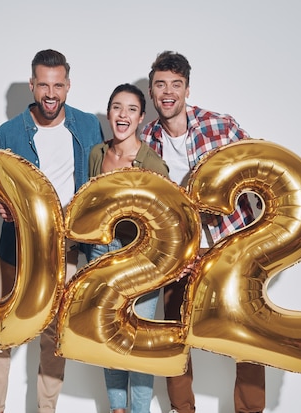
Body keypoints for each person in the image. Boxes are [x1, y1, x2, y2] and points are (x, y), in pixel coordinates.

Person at [140, 50, 264, 413]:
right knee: (175, 338)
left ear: (187, 90)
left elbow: (259, 170)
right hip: (178, 256)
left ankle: (250, 410)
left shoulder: (220, 126)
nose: (168, 92)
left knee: (247, 334)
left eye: (175, 85)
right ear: (151, 91)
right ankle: (183, 409)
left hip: (229, 249)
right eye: (160, 84)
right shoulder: (144, 139)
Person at [0, 49, 103, 413]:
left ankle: (45, 410)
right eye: (43, 85)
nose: (50, 94)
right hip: (15, 251)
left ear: (68, 85)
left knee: (54, 337)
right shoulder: (8, 132)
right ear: (33, 85)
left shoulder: (87, 126)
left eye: (58, 85)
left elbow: (100, 178)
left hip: (64, 251)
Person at [88, 83, 169, 413]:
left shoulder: (153, 163)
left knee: (138, 341)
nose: (123, 115)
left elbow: (166, 219)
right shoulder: (97, 153)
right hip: (102, 252)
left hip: (142, 258)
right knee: (109, 336)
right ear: (109, 113)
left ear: (141, 117)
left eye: (131, 109)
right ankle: (117, 409)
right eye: (117, 108)